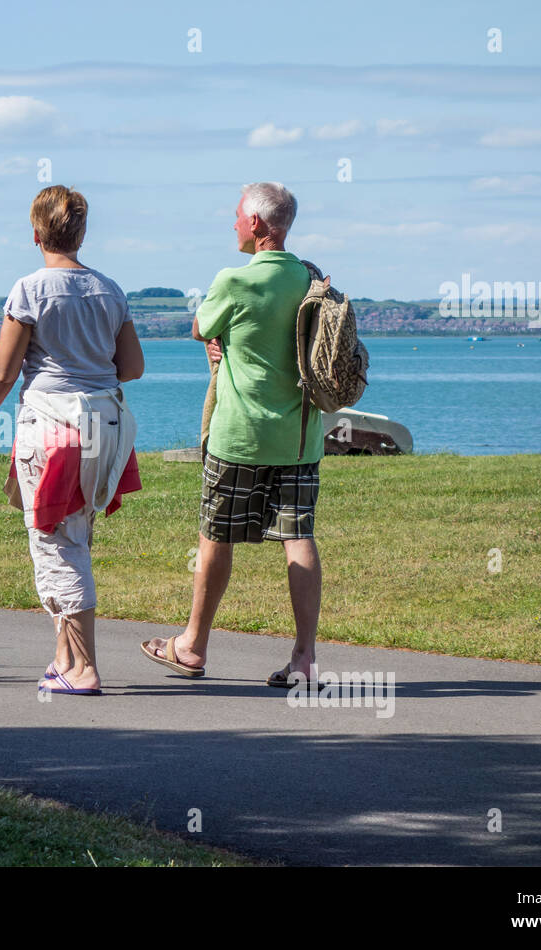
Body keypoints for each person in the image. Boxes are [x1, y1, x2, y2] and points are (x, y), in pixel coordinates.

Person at [0, 185, 144, 695]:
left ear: (36, 234)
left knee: (56, 545)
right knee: (72, 536)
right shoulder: (111, 290)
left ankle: (83, 669)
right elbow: (132, 367)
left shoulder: (30, 290)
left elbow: (1, 372)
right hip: (106, 424)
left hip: (52, 427)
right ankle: (63, 658)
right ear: (81, 233)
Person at [141, 181, 324, 688]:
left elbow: (201, 327)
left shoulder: (234, 281)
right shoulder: (312, 279)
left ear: (258, 226)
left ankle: (192, 646)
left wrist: (221, 337)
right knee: (298, 537)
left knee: (216, 538)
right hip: (301, 436)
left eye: (238, 216)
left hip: (239, 436)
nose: (234, 223)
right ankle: (305, 659)